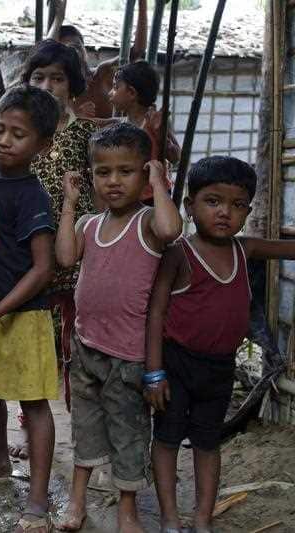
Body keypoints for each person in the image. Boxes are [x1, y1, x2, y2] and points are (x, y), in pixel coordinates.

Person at [145, 156, 295, 533]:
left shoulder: (245, 250)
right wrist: (153, 371)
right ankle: (168, 517)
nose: (225, 212)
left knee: (208, 444)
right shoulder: (179, 253)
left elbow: (288, 248)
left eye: (237, 204)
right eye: (213, 201)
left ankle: (201, 519)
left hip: (219, 368)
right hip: (176, 365)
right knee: (165, 440)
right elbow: (156, 313)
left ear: (247, 210)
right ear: (190, 207)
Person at [54, 123, 182, 532]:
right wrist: (70, 204)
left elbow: (171, 230)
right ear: (91, 175)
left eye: (125, 171)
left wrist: (159, 183)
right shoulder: (90, 224)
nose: (113, 181)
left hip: (128, 356)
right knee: (85, 429)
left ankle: (127, 510)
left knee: (129, 436)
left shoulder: (147, 222)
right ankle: (76, 501)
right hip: (87, 348)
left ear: (144, 174)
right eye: (103, 172)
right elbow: (64, 257)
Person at [0, 86, 60, 533]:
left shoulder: (33, 196)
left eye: (18, 134)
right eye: (0, 128)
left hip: (23, 315)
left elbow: (43, 270)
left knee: (34, 404)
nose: (4, 139)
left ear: (42, 145)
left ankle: (37, 499)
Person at [15, 38, 98, 458]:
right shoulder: (23, 135)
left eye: (58, 78)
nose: (48, 85)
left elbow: (102, 191)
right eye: (39, 76)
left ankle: (84, 434)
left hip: (79, 253)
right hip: (36, 257)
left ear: (73, 84)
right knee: (37, 347)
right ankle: (33, 429)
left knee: (79, 350)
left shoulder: (85, 133)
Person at [48, 0, 148, 119]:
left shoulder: (103, 74)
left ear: (85, 51)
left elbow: (138, 50)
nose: (74, 53)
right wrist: (58, 19)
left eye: (77, 47)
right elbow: (45, 50)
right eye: (67, 49)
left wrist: (142, 4)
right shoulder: (58, 90)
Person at [109, 60, 181, 175]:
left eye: (115, 87)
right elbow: (109, 122)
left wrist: (163, 138)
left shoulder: (154, 121)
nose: (110, 93)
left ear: (132, 93)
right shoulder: (124, 123)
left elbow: (175, 156)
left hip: (152, 190)